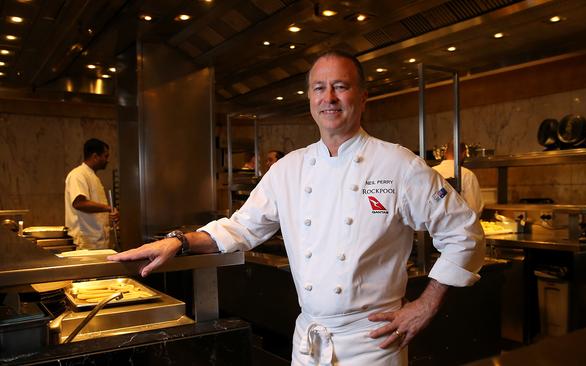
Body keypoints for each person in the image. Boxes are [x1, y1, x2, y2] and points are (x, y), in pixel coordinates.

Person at [108, 50, 484, 365]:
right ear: (309, 98)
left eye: (341, 87)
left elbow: (464, 233)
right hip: (308, 341)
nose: (329, 98)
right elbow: (241, 228)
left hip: (374, 342)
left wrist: (425, 305)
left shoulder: (399, 165)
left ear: (362, 97)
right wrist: (178, 242)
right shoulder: (288, 169)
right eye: (320, 88)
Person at [65, 138, 119, 250]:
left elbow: (96, 212)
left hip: (97, 241)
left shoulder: (93, 177)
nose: (107, 160)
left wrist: (110, 214)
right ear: (95, 156)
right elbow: (79, 203)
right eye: (105, 156)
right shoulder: (78, 174)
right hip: (85, 243)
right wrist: (108, 208)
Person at [433, 143, 484, 215]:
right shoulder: (467, 174)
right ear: (464, 153)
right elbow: (474, 208)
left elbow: (430, 202)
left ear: (445, 153)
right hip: (459, 224)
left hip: (433, 224)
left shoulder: (431, 172)